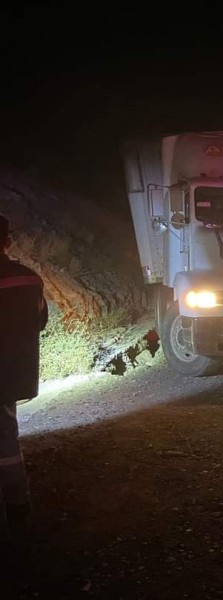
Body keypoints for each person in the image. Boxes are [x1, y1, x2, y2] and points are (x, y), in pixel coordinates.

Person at [0, 215, 48, 536]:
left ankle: (17, 510)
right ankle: (19, 507)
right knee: (6, 439)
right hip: (16, 374)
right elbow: (40, 321)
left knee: (4, 443)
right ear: (7, 242)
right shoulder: (30, 279)